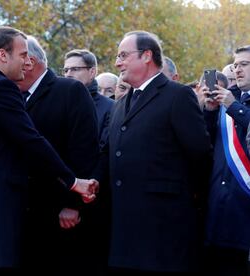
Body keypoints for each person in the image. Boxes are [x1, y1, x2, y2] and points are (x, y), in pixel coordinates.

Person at [0, 26, 97, 275]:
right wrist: (73, 182)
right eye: (22, 55)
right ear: (2, 55)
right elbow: (31, 140)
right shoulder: (1, 87)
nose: (27, 60)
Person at [95, 31, 212, 275]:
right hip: (123, 233)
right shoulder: (120, 104)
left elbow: (200, 156)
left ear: (147, 55)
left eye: (124, 55)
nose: (118, 63)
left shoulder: (177, 96)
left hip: (164, 233)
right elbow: (109, 154)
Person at [16, 36, 101, 275]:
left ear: (28, 62)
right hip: (27, 210)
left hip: (60, 212)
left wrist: (72, 204)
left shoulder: (69, 90)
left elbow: (84, 149)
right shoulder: (17, 95)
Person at [205, 45, 250, 276]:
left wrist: (234, 107)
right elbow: (206, 144)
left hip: (244, 214)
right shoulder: (228, 102)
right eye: (235, 65)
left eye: (244, 64)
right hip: (219, 210)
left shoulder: (233, 103)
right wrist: (210, 111)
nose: (238, 70)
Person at [63, 49, 114, 151]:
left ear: (92, 72)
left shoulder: (111, 107)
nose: (68, 74)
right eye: (66, 70)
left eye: (75, 69)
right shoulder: (56, 102)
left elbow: (104, 151)